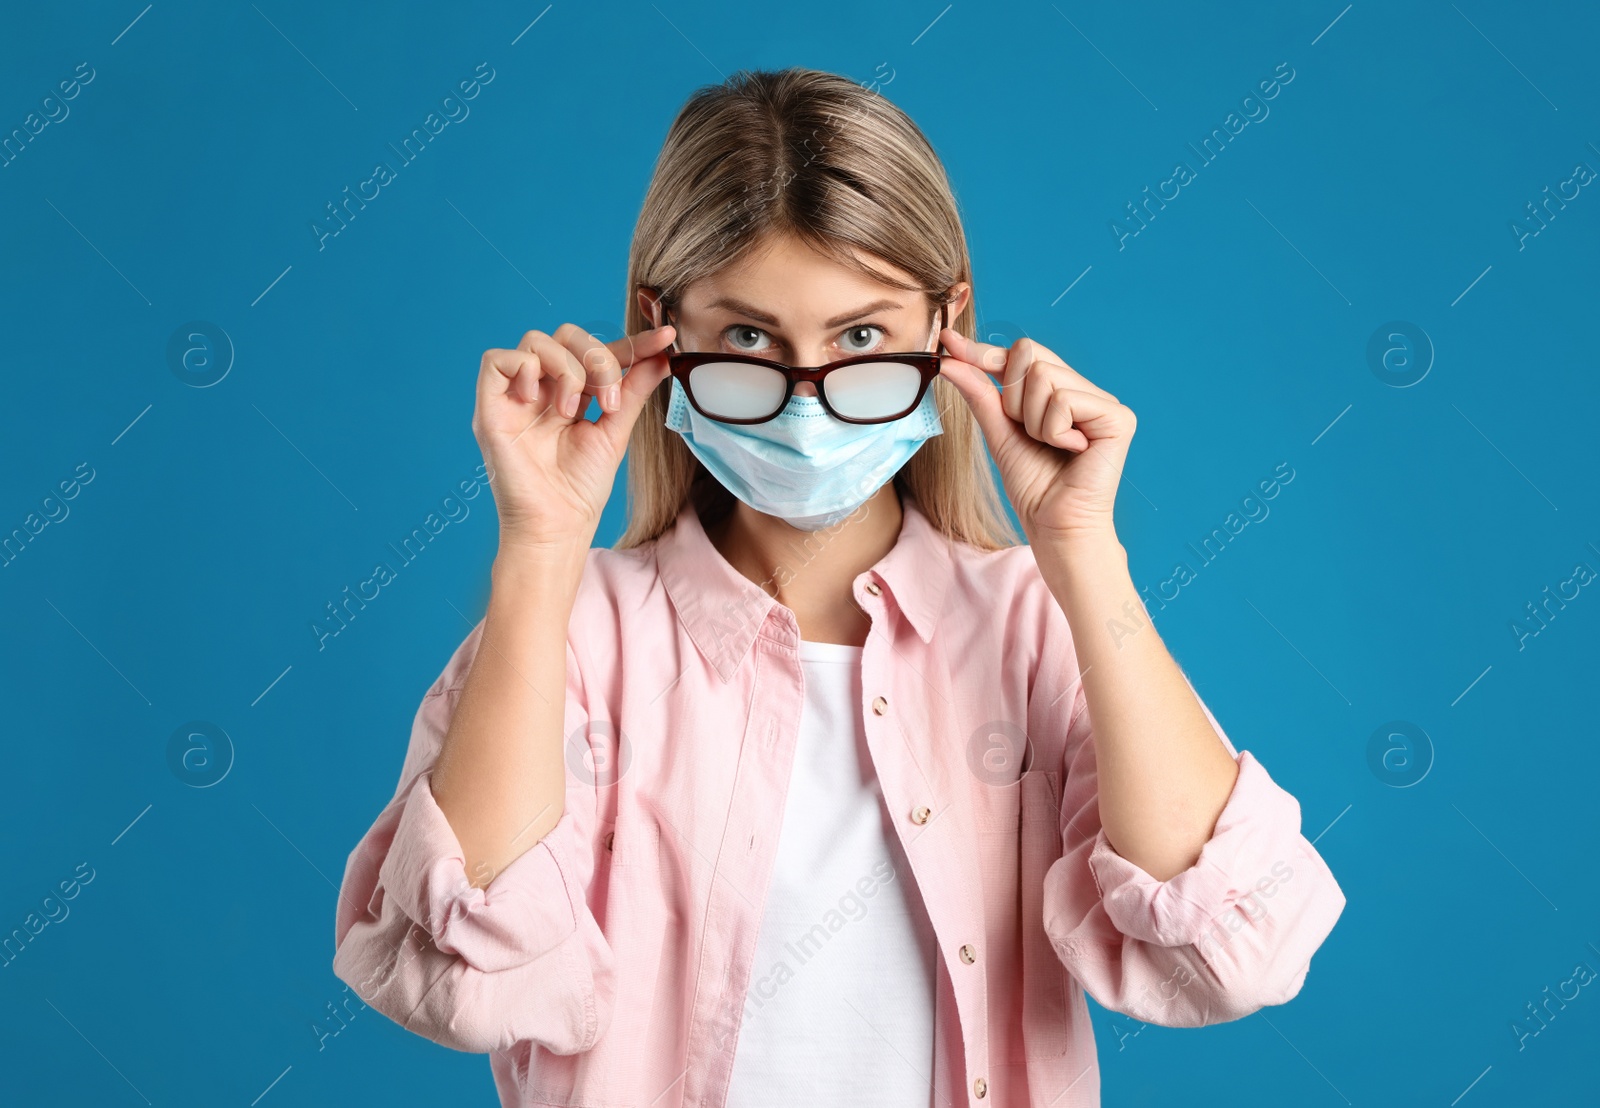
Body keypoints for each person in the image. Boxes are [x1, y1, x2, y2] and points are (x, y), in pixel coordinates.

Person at [331, 66, 1346, 1107]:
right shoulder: (576, 636)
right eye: (747, 340)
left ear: (944, 323)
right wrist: (540, 547)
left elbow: (1234, 949)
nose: (804, 404)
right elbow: (456, 981)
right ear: (661, 325)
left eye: (861, 339)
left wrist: (1081, 547)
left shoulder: (1030, 628)